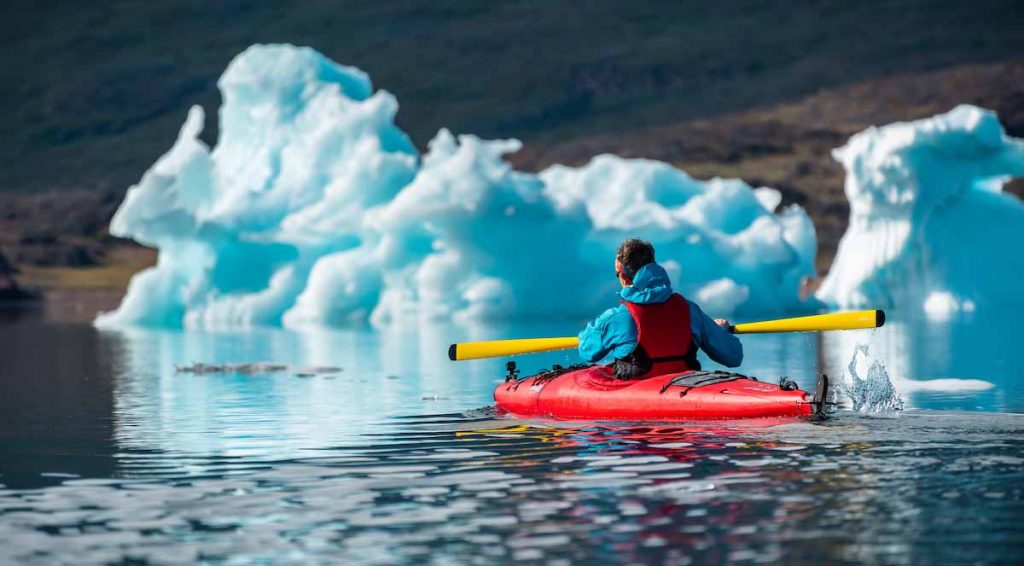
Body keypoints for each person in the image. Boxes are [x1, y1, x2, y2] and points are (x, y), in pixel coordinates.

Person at [578, 238, 743, 379]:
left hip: (641, 399)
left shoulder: (617, 318)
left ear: (623, 276)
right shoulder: (690, 311)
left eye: (617, 274)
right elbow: (734, 356)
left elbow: (587, 352)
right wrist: (720, 331)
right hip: (684, 388)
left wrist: (593, 331)